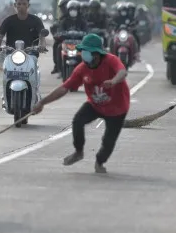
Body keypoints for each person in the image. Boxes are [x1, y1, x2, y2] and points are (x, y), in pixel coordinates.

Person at [32, 34, 129, 174]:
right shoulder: (81, 69)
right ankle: (79, 151)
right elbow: (63, 88)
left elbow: (122, 72)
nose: (84, 55)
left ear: (96, 54)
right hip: (95, 105)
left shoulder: (111, 60)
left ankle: (100, 162)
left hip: (117, 108)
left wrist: (114, 81)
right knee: (78, 120)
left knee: (108, 140)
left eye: (87, 52)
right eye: (83, 51)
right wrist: (42, 102)